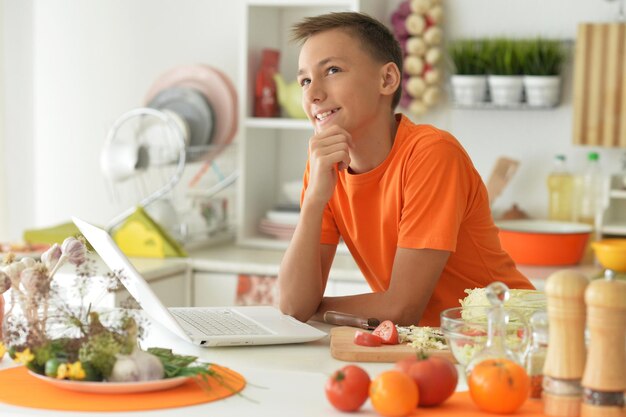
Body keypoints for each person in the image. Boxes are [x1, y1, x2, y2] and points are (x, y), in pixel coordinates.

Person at [277, 12, 534, 327]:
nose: (312, 94)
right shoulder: (324, 167)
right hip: (431, 344)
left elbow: (401, 309)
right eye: (304, 79)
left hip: (508, 335)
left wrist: (313, 308)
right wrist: (315, 201)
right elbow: (291, 304)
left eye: (332, 70)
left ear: (387, 80)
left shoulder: (431, 154)